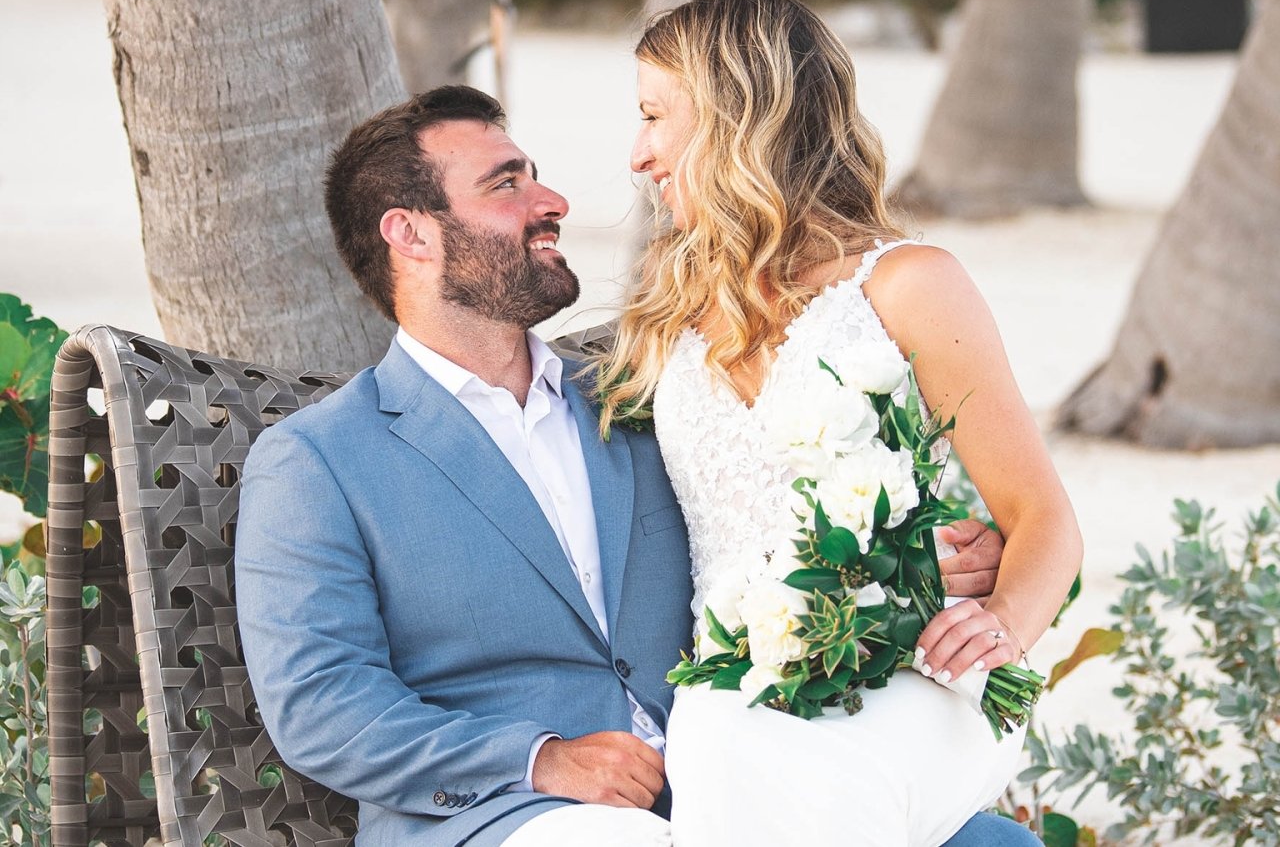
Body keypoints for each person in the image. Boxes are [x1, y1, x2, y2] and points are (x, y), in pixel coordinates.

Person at [236, 86, 1034, 846]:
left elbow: (763, 523)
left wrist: (900, 557)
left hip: (736, 779)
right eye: (505, 185)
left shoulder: (643, 396)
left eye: (537, 177)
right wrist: (537, 757)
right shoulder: (318, 462)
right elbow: (321, 702)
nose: (552, 203)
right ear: (409, 234)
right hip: (505, 817)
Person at [595, 0, 1084, 846]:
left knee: (800, 782)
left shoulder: (907, 286)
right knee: (734, 747)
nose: (638, 154)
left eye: (654, 117)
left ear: (736, 116)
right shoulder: (666, 315)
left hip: (900, 680)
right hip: (729, 695)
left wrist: (998, 621)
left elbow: (1042, 517)